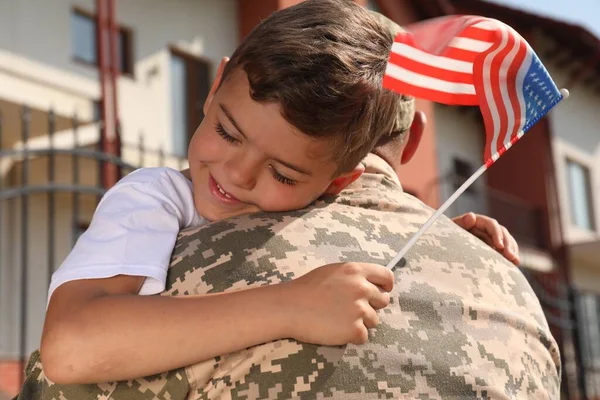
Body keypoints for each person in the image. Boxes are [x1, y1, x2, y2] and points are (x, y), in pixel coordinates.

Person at [38, 0, 517, 387]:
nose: (238, 174)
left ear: (338, 183)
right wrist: (289, 306)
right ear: (214, 88)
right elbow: (70, 345)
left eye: (283, 174)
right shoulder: (156, 199)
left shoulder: (316, 206)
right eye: (227, 132)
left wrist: (435, 242)